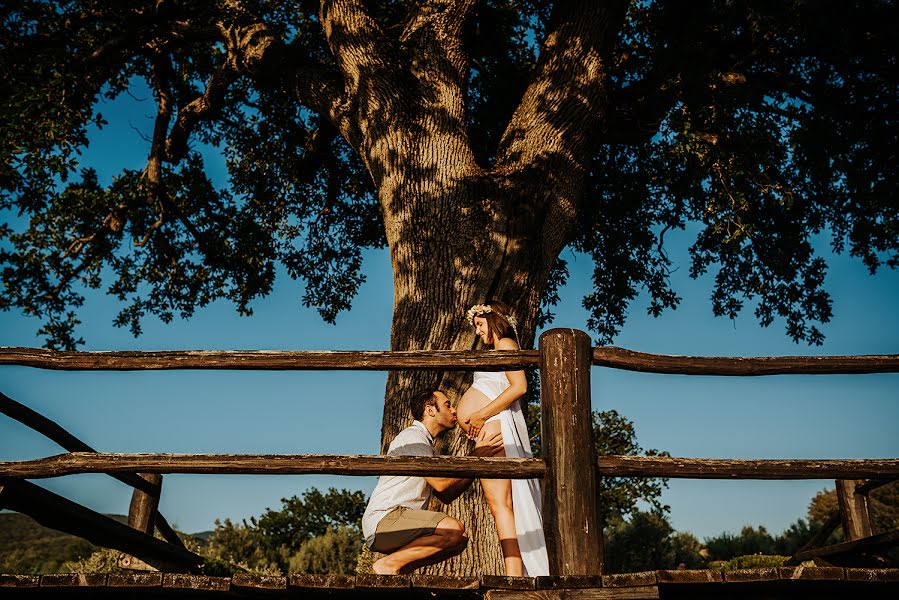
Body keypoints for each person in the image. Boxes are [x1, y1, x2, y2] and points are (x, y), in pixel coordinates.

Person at [362, 389, 504, 575]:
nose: (454, 410)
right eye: (447, 405)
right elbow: (441, 484)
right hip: (386, 519)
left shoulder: (425, 444)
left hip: (396, 522)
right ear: (430, 410)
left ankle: (397, 570)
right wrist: (476, 458)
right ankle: (387, 565)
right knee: (453, 530)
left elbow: (446, 494)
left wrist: (478, 465)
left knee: (458, 541)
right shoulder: (413, 437)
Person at [456, 300, 549, 576]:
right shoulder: (497, 349)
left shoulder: (506, 344)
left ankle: (514, 575)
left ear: (492, 318)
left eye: (479, 324)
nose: (477, 332)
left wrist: (481, 415)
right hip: (488, 429)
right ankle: (514, 572)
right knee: (500, 505)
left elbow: (519, 386)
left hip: (494, 427)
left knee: (502, 505)